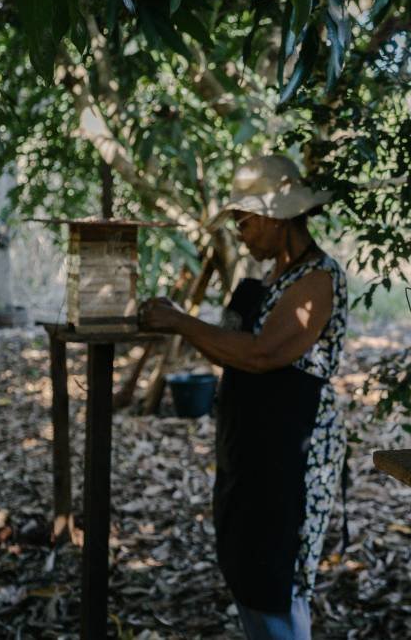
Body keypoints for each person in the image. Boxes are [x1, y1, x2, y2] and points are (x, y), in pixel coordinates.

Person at [139, 155, 348, 640]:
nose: (240, 231)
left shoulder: (317, 278)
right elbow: (231, 348)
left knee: (277, 574)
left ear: (278, 215)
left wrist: (180, 322)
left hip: (292, 454)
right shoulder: (267, 279)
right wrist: (185, 325)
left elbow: (261, 354)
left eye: (245, 220)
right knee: (247, 562)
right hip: (251, 447)